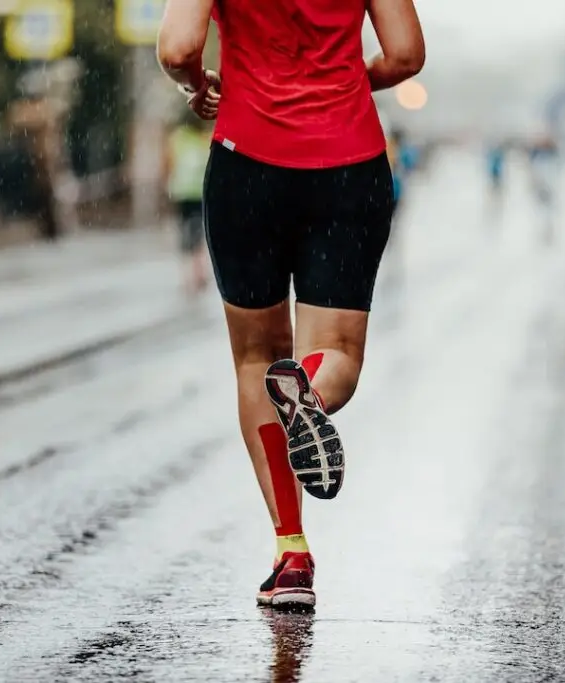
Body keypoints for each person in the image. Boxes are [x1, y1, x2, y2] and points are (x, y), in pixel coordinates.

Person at [158, 0, 424, 609]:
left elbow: (177, 48)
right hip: (349, 163)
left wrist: (199, 88)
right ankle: (309, 390)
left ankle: (291, 552)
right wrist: (352, 79)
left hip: (246, 164)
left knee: (257, 359)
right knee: (338, 355)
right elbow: (407, 54)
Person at [163, 109, 212, 294]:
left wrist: (167, 183)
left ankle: (188, 276)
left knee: (185, 232)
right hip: (200, 191)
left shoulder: (177, 138)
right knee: (199, 232)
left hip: (182, 192)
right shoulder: (205, 138)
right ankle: (199, 272)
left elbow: (168, 162)